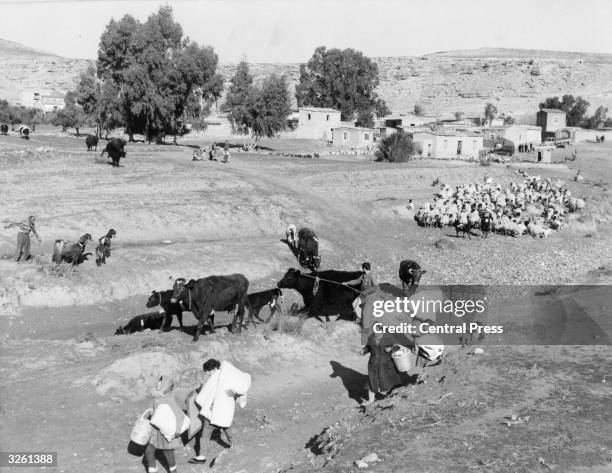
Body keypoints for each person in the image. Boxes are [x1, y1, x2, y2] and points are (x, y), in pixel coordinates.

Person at [189, 359, 251, 465]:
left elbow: (207, 392)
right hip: (224, 411)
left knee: (206, 433)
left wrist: (200, 392)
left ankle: (202, 456)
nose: (208, 374)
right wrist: (235, 393)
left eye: (208, 371)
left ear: (213, 368)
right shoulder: (229, 376)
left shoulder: (217, 377)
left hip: (212, 412)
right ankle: (234, 446)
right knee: (227, 428)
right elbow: (240, 387)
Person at [145, 376, 188, 473]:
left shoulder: (169, 399)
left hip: (165, 433)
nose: (158, 385)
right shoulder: (157, 398)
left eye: (160, 384)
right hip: (155, 433)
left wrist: (177, 429)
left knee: (169, 455)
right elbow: (154, 411)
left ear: (166, 386)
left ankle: (174, 471)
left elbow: (179, 415)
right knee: (148, 452)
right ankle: (152, 470)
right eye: (158, 383)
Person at [362, 331, 414, 406]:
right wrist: (363, 351)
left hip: (386, 363)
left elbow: (397, 347)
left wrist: (392, 348)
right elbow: (368, 347)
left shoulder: (389, 337)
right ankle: (371, 400)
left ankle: (393, 393)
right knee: (371, 381)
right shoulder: (371, 338)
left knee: (391, 380)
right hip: (373, 363)